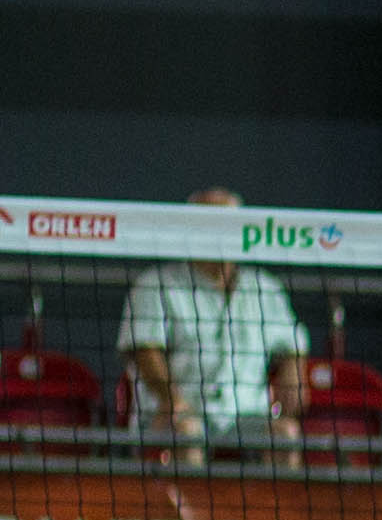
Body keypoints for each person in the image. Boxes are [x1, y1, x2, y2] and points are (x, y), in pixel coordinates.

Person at [119, 191, 312, 451]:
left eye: (230, 226)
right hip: (177, 416)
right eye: (213, 224)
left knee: (286, 433)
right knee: (188, 432)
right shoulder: (155, 284)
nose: (223, 234)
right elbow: (146, 353)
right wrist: (174, 402)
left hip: (247, 418)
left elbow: (292, 344)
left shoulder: (266, 288)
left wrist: (293, 369)